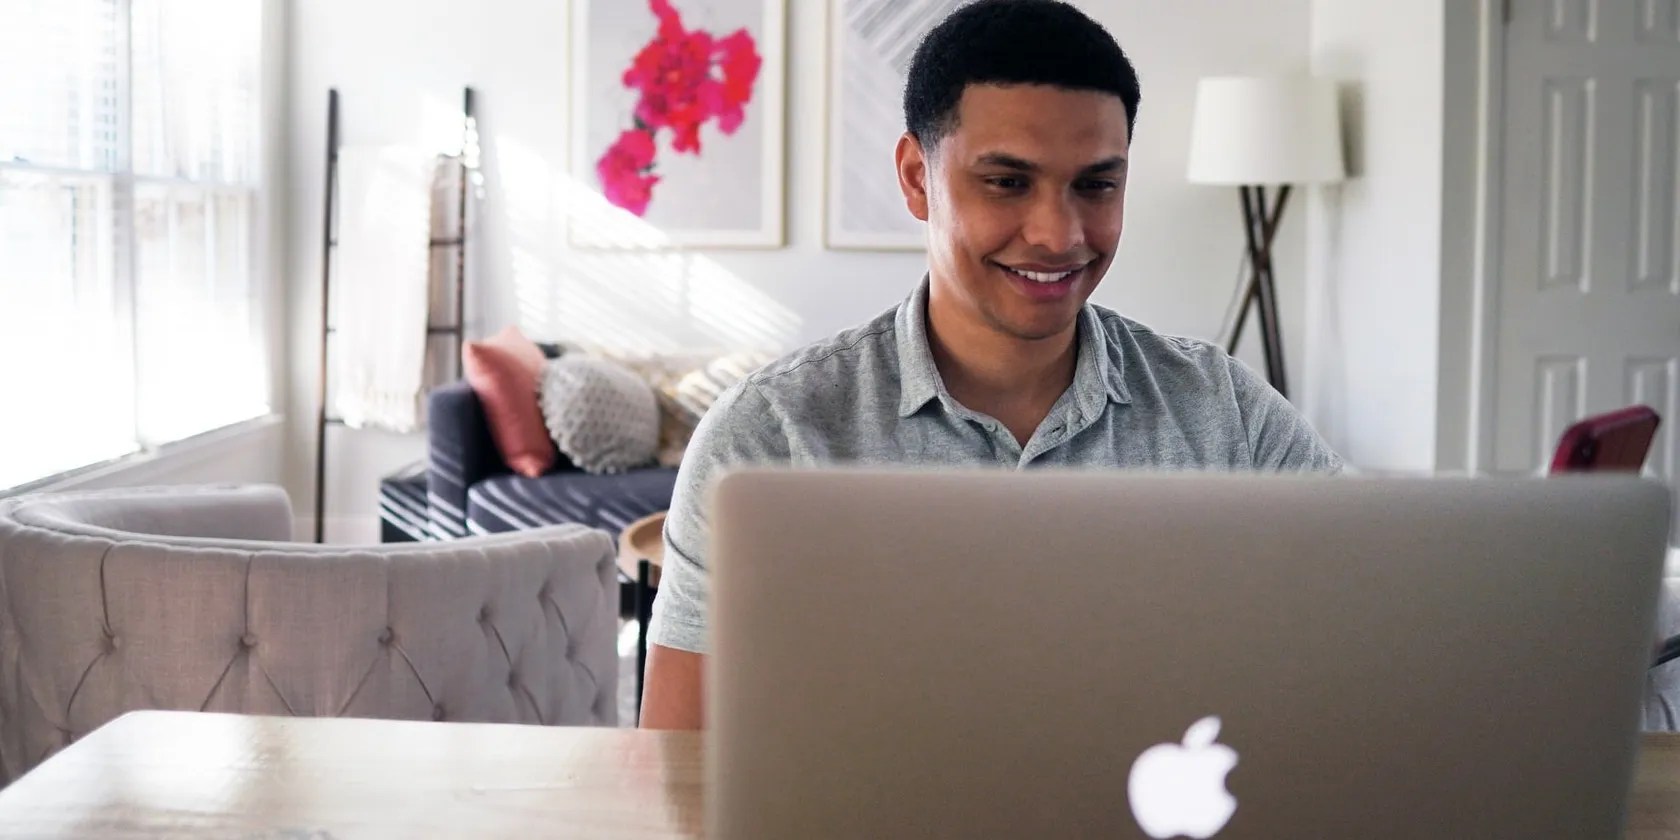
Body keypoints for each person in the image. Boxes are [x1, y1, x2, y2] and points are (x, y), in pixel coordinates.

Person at [639, 0, 1341, 730]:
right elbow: (671, 769)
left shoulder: (1224, 415)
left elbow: (1367, 638)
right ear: (916, 178)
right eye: (1007, 183)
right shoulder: (769, 436)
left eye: (1096, 184)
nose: (1058, 234)